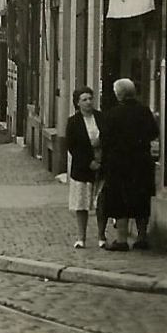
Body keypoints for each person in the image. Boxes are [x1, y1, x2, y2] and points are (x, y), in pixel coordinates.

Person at [100, 77, 159, 252]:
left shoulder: (112, 114)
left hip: (119, 164)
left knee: (120, 202)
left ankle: (121, 239)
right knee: (141, 200)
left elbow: (105, 139)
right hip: (141, 162)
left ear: (119, 95)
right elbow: (153, 132)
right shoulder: (144, 111)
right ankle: (141, 237)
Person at [64, 86, 102, 249]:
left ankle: (101, 235)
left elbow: (109, 137)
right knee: (81, 204)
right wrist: (88, 161)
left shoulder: (101, 118)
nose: (88, 102)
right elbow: (72, 146)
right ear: (78, 103)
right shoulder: (73, 122)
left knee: (101, 202)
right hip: (82, 168)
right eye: (84, 99)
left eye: (90, 98)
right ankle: (81, 237)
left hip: (101, 165)